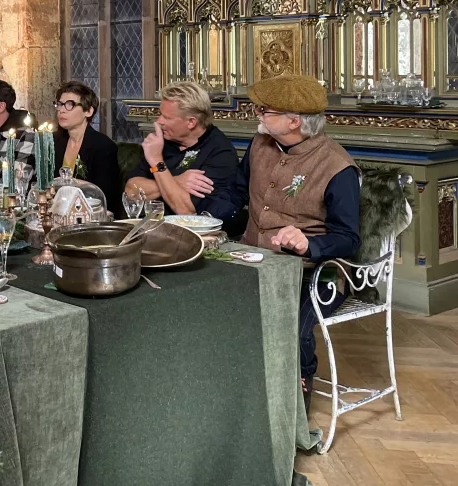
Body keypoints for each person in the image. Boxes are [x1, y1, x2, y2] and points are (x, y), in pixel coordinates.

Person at [205, 73, 360, 414]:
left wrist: (309, 244)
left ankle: (295, 406)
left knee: (292, 328)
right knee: (205, 302)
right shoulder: (261, 144)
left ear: (294, 121)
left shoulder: (337, 167)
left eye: (265, 110)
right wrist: (204, 221)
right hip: (253, 258)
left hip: (318, 274)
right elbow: (234, 193)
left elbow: (348, 239)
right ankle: (234, 394)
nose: (257, 115)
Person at [124, 81, 239, 216]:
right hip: (148, 228)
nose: (159, 121)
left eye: (166, 117)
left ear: (191, 122)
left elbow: (185, 209)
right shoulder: (163, 142)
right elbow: (131, 192)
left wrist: (157, 162)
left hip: (188, 233)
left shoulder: (221, 154)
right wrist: (177, 180)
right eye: (160, 114)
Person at [52, 82, 122, 217]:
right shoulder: (54, 141)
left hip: (88, 216)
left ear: (88, 111)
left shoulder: (103, 146)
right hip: (55, 213)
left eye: (70, 104)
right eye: (60, 104)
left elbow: (104, 198)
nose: (62, 110)